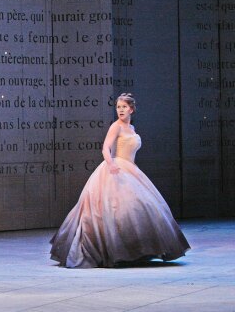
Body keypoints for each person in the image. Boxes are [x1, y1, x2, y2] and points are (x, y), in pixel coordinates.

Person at [50, 93, 190, 268]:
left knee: (141, 208)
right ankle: (113, 250)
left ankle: (136, 250)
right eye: (118, 107)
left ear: (131, 109)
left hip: (130, 169)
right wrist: (111, 165)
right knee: (114, 210)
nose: (120, 110)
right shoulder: (116, 126)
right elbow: (105, 148)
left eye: (124, 107)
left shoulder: (131, 128)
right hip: (115, 168)